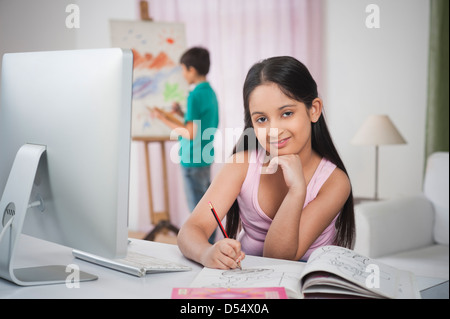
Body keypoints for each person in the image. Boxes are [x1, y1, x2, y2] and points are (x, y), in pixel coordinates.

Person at [177, 56, 355, 270]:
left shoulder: (334, 182)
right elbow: (190, 230)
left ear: (313, 110)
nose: (274, 130)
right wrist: (206, 252)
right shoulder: (242, 165)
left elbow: (278, 256)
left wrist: (297, 190)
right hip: (249, 283)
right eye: (262, 119)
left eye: (287, 113)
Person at [152, 47, 219, 244]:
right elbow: (200, 124)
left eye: (183, 69)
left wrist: (162, 118)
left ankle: (206, 248)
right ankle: (210, 245)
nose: (182, 74)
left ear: (191, 69)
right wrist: (181, 113)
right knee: (206, 207)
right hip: (205, 156)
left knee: (198, 213)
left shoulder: (194, 96)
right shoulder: (209, 92)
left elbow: (189, 134)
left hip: (192, 158)